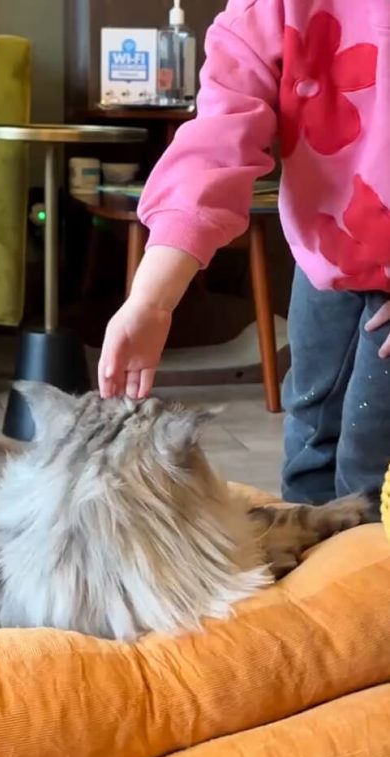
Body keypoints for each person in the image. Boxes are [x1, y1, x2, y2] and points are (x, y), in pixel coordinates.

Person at [98, 0, 390, 511]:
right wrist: (152, 298)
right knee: (310, 439)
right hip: (326, 257)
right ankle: (311, 581)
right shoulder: (270, 8)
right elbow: (217, 140)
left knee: (369, 467)